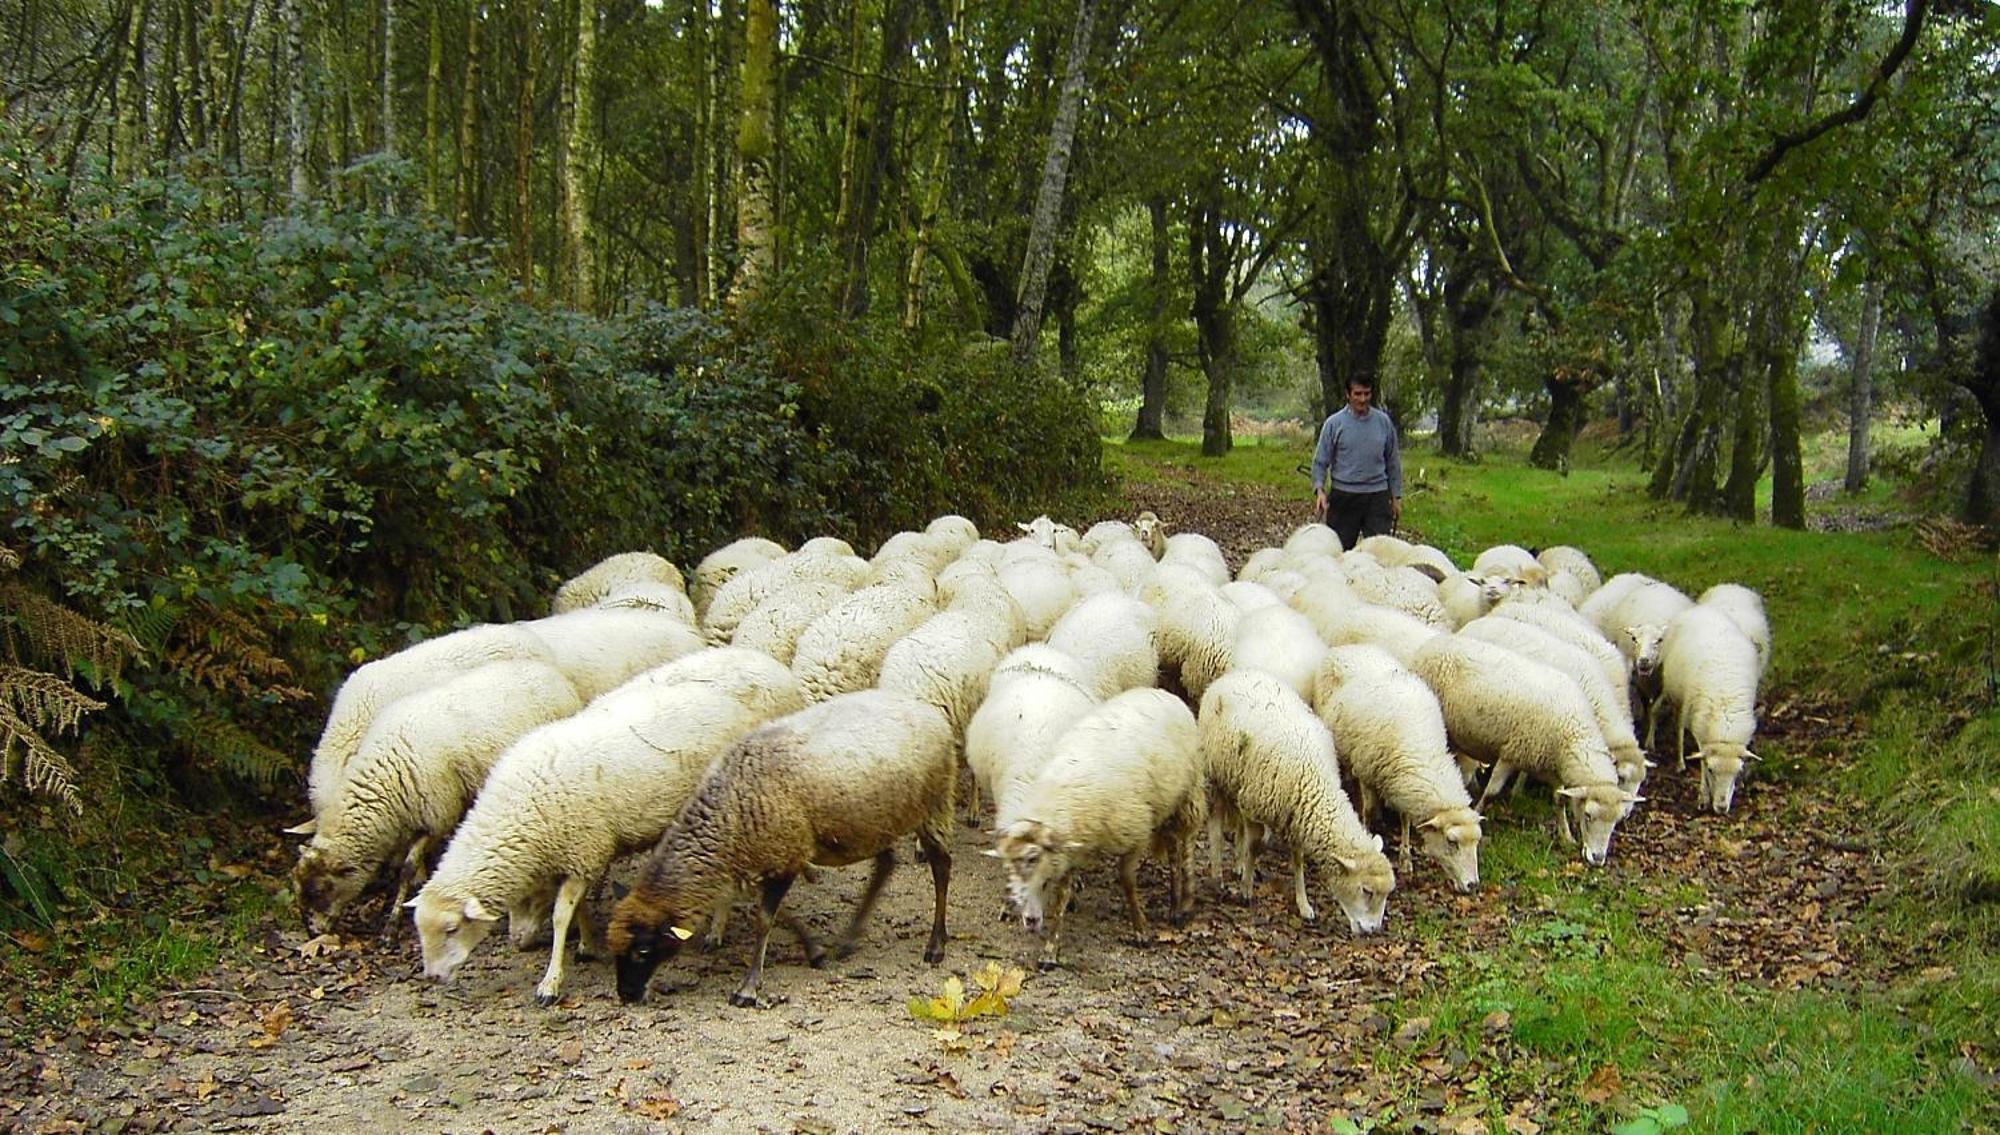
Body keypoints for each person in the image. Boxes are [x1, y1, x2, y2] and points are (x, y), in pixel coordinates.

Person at [1309, 378, 1403, 550]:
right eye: (1357, 394)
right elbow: (1320, 461)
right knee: (1338, 551)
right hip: (1344, 497)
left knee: (1379, 554)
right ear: (1348, 395)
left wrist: (1396, 496)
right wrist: (1320, 490)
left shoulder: (1383, 423)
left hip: (1377, 497)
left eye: (1366, 394)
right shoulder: (1334, 424)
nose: (1362, 399)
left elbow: (1393, 461)